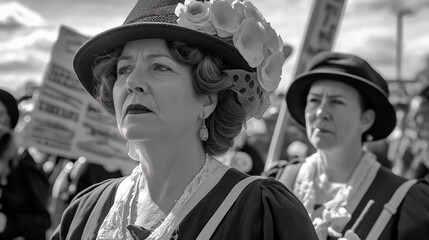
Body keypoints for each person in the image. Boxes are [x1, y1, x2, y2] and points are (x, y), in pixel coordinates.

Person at [51, 0, 318, 239]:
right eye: (124, 69)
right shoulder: (86, 212)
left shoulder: (259, 213)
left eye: (159, 67)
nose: (132, 82)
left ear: (207, 99)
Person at [271, 52, 429, 240]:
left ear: (366, 119)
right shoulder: (278, 181)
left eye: (336, 101)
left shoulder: (403, 199)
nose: (321, 112)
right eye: (314, 100)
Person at [0, 88, 51, 240]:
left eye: (0, 113)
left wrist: (8, 224)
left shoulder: (22, 161)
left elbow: (43, 220)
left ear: (10, 120)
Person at [389, 85, 429, 180]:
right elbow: (398, 167)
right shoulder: (405, 140)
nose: (415, 120)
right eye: (414, 115)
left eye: (422, 115)